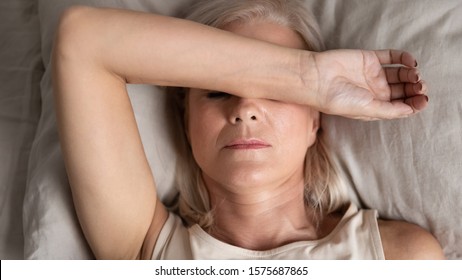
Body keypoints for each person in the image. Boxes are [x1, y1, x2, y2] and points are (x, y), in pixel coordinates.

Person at [52, 0, 443, 259]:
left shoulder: (399, 255)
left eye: (276, 93)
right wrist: (304, 75)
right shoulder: (146, 246)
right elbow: (82, 39)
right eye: (218, 93)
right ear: (186, 120)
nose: (245, 111)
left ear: (316, 119)